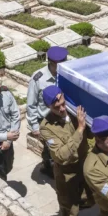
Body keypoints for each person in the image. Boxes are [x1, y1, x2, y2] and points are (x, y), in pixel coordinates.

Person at [39, 85, 94, 216]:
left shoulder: (74, 111)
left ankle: (80, 203)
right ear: (49, 107)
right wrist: (80, 129)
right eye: (57, 107)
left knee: (91, 198)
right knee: (69, 210)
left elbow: (90, 136)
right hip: (66, 173)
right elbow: (60, 156)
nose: (62, 109)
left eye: (63, 103)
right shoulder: (46, 128)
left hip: (84, 165)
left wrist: (88, 122)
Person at [27, 46, 69, 179]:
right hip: (46, 120)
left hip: (63, 116)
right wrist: (34, 126)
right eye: (60, 63)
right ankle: (48, 166)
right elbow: (31, 103)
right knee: (50, 147)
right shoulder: (38, 78)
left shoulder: (66, 74)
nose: (64, 65)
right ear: (51, 63)